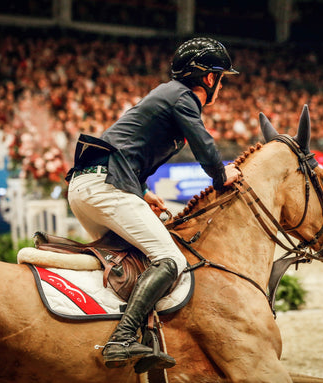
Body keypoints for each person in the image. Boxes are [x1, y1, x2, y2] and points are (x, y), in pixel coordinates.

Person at [66, 37, 241, 372]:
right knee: (170, 259)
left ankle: (123, 335)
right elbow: (204, 144)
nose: (222, 86)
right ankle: (122, 338)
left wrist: (142, 191)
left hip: (88, 186)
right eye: (222, 78)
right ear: (209, 78)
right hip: (105, 188)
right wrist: (221, 175)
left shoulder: (165, 94)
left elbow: (125, 146)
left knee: (130, 263)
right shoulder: (182, 96)